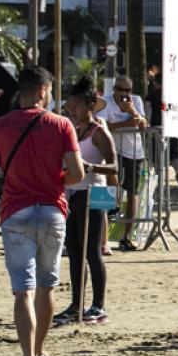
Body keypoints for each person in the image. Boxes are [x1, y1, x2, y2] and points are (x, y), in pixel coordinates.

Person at [0, 67, 84, 356]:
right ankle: (39, 351)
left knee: (23, 290)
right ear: (43, 92)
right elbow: (77, 174)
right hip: (51, 211)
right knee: (48, 286)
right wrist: (54, 179)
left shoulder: (1, 125)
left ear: (21, 91)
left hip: (15, 211)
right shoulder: (61, 124)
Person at [55, 83, 118, 326]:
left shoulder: (99, 132)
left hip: (96, 192)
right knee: (74, 250)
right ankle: (76, 305)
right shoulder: (73, 129)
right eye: (69, 107)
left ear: (91, 105)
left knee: (92, 250)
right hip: (74, 193)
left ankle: (99, 305)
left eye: (76, 107)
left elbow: (114, 167)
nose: (71, 111)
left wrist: (88, 166)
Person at [99, 75, 148, 251]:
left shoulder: (136, 101)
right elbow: (104, 126)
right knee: (112, 186)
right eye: (121, 90)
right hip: (114, 150)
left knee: (133, 192)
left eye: (127, 90)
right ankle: (104, 234)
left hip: (135, 152)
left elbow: (143, 125)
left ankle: (126, 236)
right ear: (114, 90)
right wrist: (126, 123)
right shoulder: (106, 102)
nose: (124, 94)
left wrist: (133, 111)